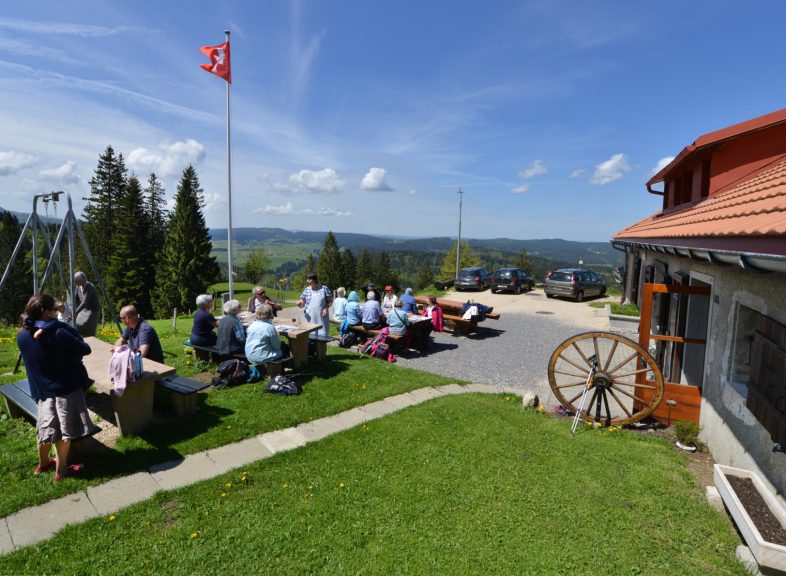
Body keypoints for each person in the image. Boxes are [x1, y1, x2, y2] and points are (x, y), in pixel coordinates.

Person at [17, 293, 94, 482]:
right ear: (45, 313)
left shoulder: (23, 335)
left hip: (41, 390)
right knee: (63, 432)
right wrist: (58, 324)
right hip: (64, 388)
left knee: (44, 428)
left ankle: (43, 464)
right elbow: (85, 348)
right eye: (53, 309)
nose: (56, 312)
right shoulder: (59, 332)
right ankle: (61, 472)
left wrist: (50, 324)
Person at [74, 271, 100, 337]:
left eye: (80, 282)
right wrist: (74, 309)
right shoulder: (78, 286)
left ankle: (90, 341)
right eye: (77, 282)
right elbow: (76, 298)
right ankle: (82, 339)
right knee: (77, 324)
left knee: (88, 326)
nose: (78, 284)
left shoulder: (89, 287)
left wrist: (75, 312)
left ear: (83, 279)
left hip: (92, 310)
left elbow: (84, 302)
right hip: (84, 309)